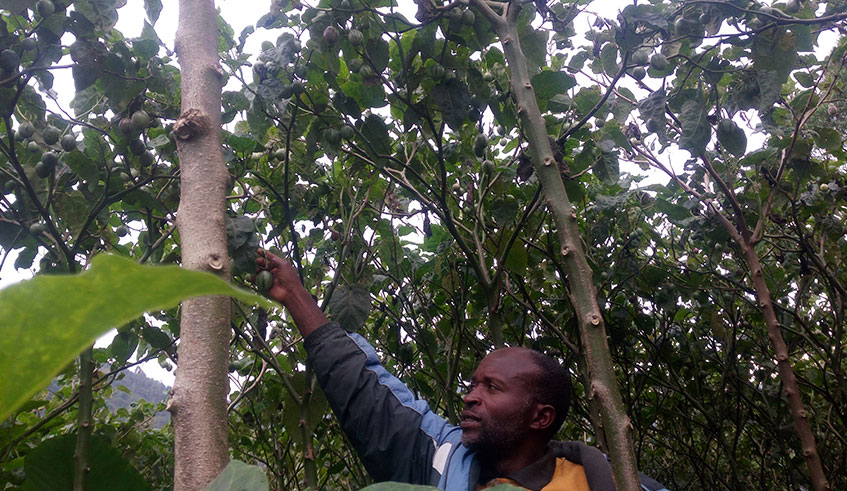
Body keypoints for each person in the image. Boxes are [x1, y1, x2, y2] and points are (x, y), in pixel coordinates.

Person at [256, 250, 668, 491]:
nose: (471, 396)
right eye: (473, 384)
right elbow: (367, 393)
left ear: (540, 416)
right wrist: (294, 295)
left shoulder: (606, 482)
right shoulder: (441, 458)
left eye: (493, 388)